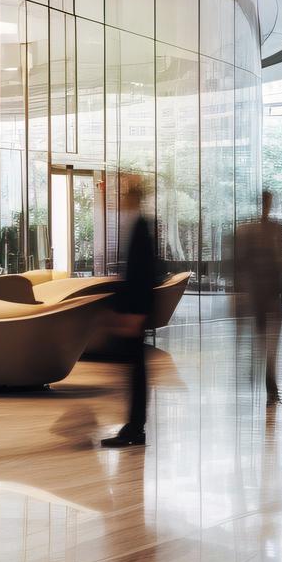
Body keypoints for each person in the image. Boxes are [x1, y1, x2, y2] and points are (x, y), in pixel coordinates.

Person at [102, 173, 156, 449]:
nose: (121, 200)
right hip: (134, 309)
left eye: (125, 195)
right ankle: (134, 426)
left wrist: (136, 314)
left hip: (136, 311)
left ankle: (135, 427)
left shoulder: (142, 227)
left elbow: (144, 274)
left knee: (136, 370)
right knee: (135, 368)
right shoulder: (136, 225)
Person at [234, 188, 282, 401]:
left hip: (270, 290)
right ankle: (268, 374)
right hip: (262, 291)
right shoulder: (253, 230)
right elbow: (242, 263)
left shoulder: (271, 230)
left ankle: (269, 374)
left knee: (269, 335)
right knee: (265, 334)